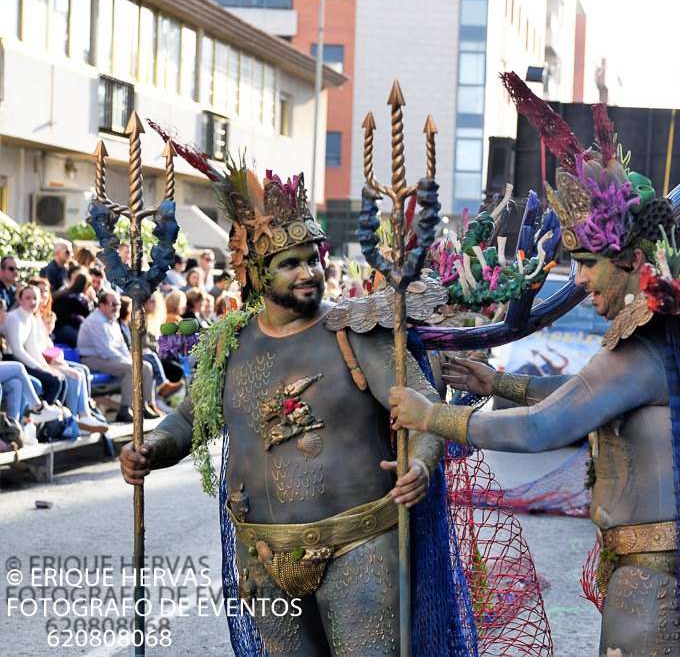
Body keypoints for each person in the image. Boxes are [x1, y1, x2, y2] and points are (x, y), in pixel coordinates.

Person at [391, 76, 680, 655]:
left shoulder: (646, 341)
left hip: (657, 574)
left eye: (586, 263)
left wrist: (431, 418)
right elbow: (587, 393)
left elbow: (544, 427)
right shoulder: (666, 334)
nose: (578, 280)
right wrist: (497, 381)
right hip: (668, 562)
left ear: (626, 257)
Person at [118, 164, 470, 655]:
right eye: (291, 263)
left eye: (314, 259)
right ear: (258, 273)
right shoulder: (229, 342)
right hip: (260, 553)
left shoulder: (356, 329)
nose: (310, 273)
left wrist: (421, 463)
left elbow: (426, 409)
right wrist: (150, 450)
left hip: (359, 545)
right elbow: (189, 420)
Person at [3, 284, 107, 433]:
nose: (32, 302)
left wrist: (46, 368)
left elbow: (32, 348)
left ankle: (57, 424)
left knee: (59, 379)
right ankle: (44, 421)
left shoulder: (31, 318)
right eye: (28, 298)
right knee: (54, 381)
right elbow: (18, 350)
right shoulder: (14, 317)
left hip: (23, 360)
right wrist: (42, 368)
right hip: (13, 359)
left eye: (35, 299)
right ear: (19, 299)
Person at [77, 292, 159, 423]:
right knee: (131, 369)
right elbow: (105, 351)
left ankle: (143, 406)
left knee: (146, 367)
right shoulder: (95, 321)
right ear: (102, 305)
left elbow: (121, 346)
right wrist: (128, 361)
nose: (116, 307)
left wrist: (130, 359)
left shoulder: (112, 320)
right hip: (93, 359)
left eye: (118, 304)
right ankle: (124, 410)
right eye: (113, 304)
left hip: (108, 358)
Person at [51, 272, 95, 346]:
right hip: (61, 326)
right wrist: (92, 301)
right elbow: (89, 316)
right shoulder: (82, 299)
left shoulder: (61, 293)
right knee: (84, 341)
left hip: (53, 325)